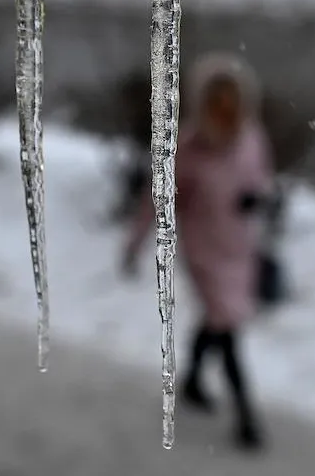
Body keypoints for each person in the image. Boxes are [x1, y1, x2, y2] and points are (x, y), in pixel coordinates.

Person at [122, 52, 276, 451]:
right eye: (216, 99)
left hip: (238, 247)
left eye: (232, 99)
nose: (225, 109)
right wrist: (135, 244)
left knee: (219, 321)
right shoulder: (187, 148)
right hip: (205, 252)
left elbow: (261, 180)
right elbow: (157, 201)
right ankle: (246, 417)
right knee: (227, 328)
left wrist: (257, 200)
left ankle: (190, 379)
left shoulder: (252, 137)